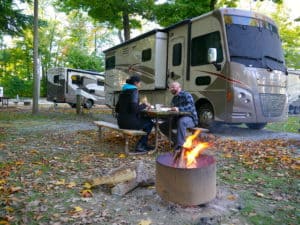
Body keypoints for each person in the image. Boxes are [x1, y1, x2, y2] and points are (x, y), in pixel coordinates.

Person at [115, 75, 154, 152]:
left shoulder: (123, 91)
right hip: (129, 123)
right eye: (139, 83)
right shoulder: (134, 91)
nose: (140, 85)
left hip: (120, 122)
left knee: (145, 119)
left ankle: (144, 144)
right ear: (136, 83)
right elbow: (134, 109)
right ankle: (141, 145)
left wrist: (138, 106)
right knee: (150, 123)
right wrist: (145, 105)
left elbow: (117, 109)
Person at [159, 82, 198, 151]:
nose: (171, 89)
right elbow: (174, 109)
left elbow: (190, 106)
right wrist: (168, 109)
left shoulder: (186, 95)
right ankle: (177, 141)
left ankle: (180, 146)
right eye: (171, 87)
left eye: (173, 87)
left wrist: (178, 108)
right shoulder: (174, 98)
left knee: (181, 121)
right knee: (163, 126)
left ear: (179, 87)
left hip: (190, 118)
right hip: (177, 118)